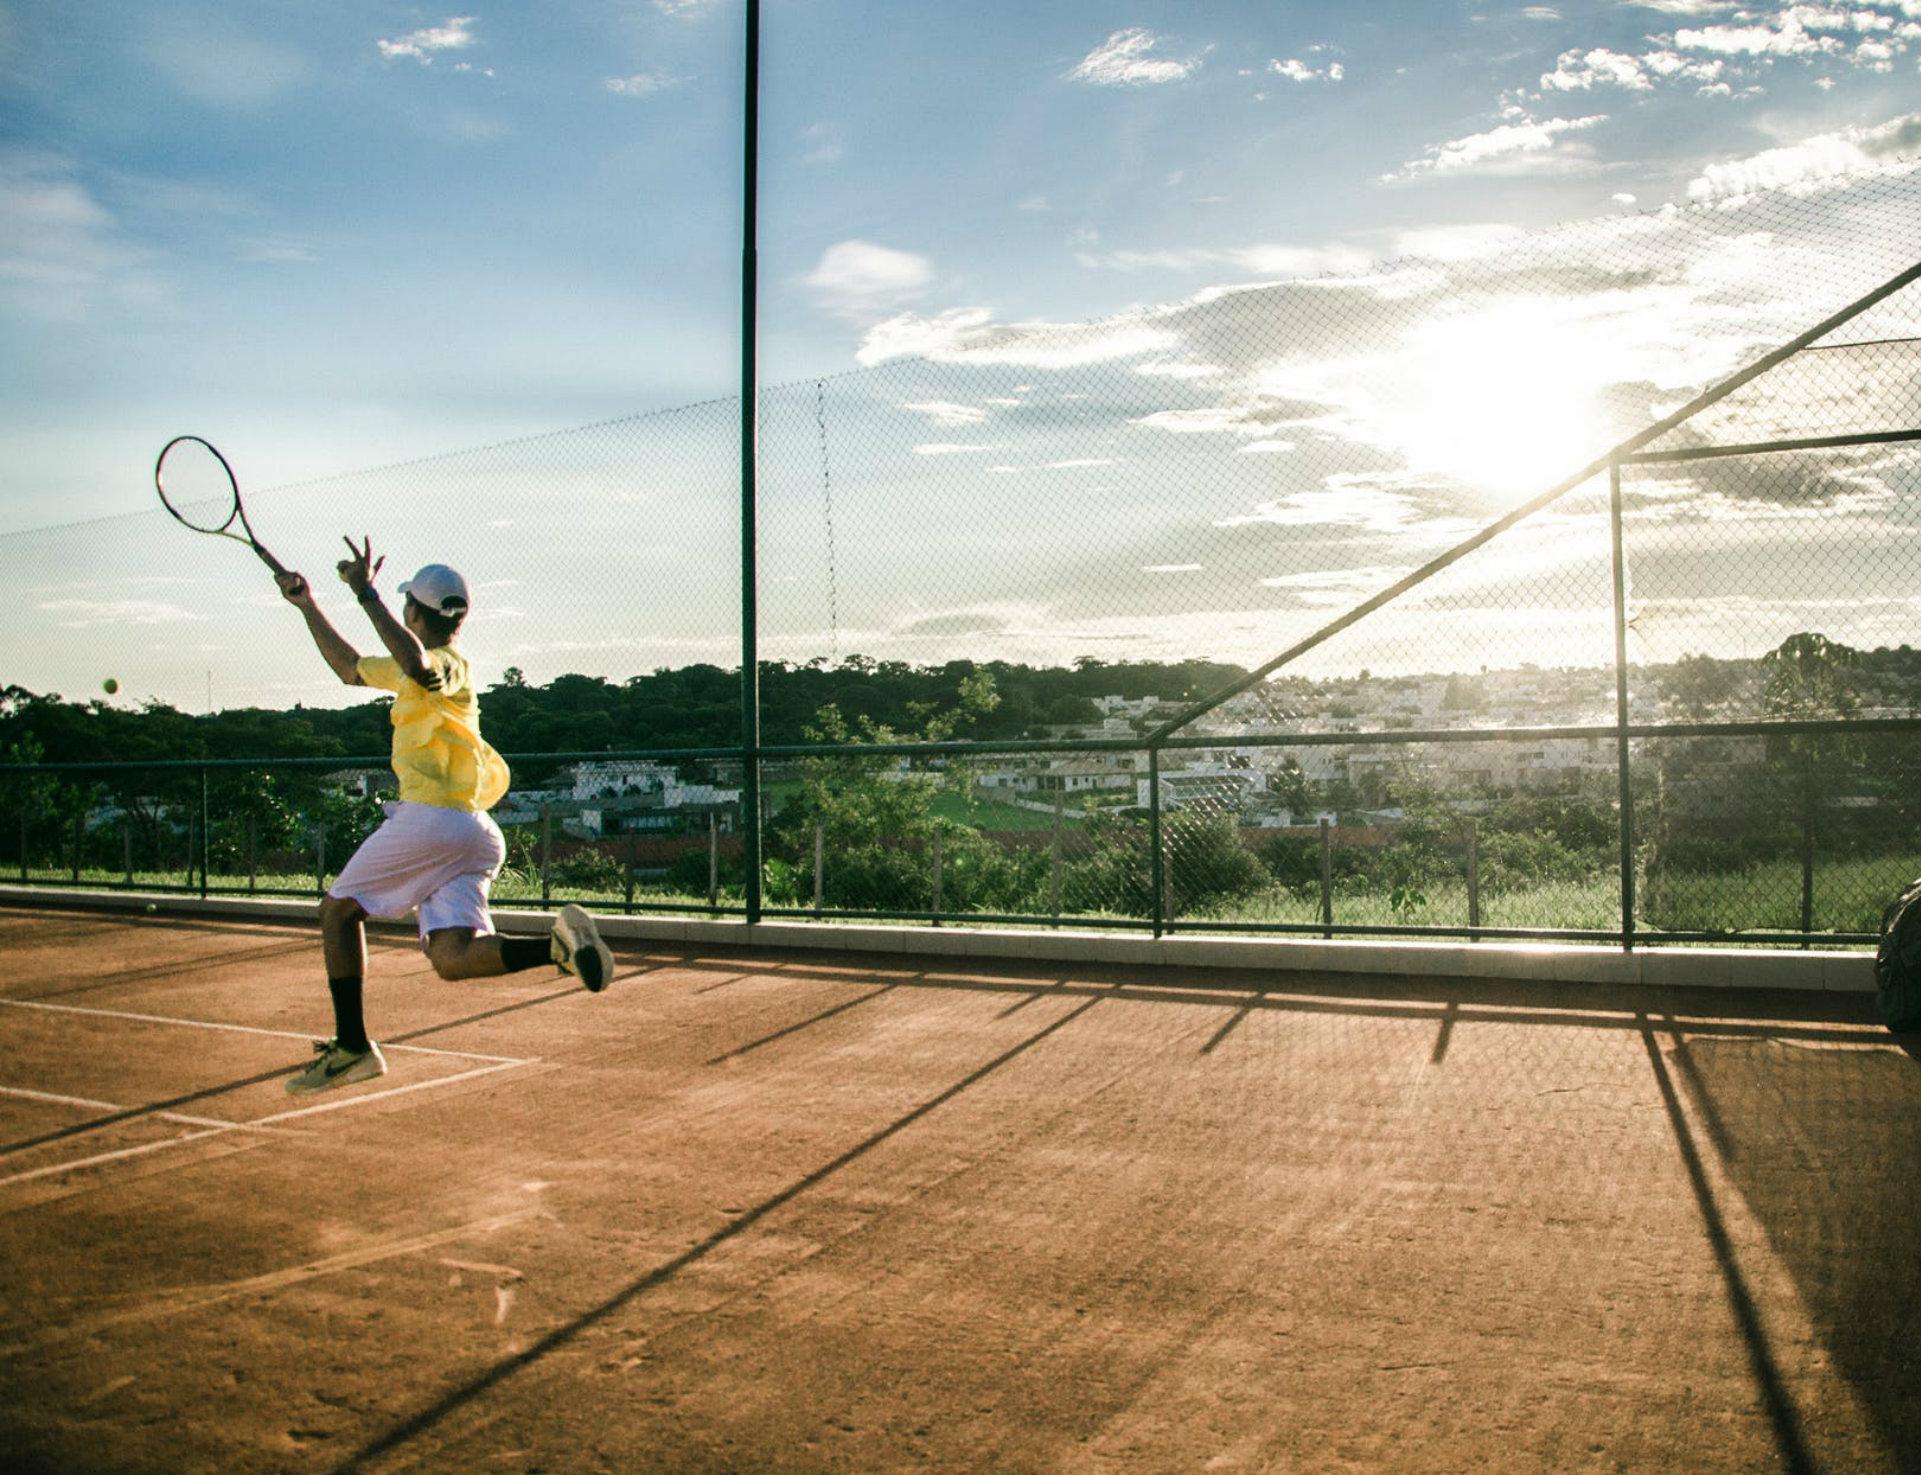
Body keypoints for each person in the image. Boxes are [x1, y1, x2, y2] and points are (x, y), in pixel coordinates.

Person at [273, 536, 612, 1094]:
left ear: (414, 612)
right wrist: (308, 604)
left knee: (336, 913)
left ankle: (353, 1048)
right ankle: (557, 947)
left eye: (404, 605)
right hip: (472, 832)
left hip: (432, 819)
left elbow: (417, 662)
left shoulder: (449, 665)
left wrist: (365, 594)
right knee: (452, 959)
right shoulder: (415, 665)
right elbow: (349, 669)